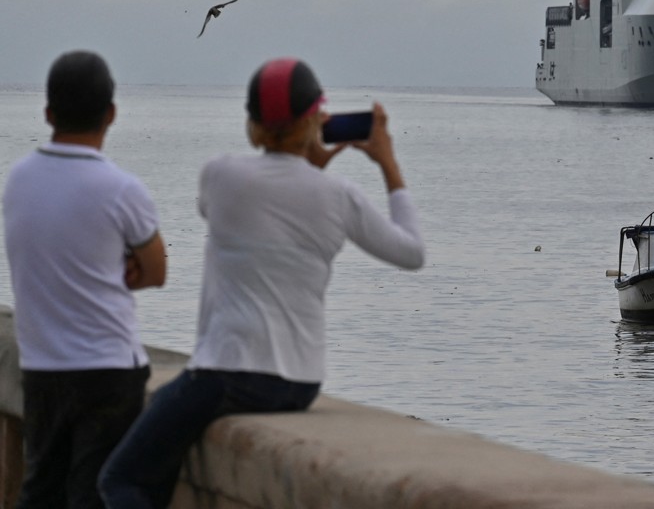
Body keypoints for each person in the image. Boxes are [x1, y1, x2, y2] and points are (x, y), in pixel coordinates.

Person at [99, 57, 425, 508]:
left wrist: (305, 163)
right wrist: (387, 161)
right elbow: (412, 252)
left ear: (252, 123)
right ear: (314, 119)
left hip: (227, 375)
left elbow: (260, 206)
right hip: (299, 382)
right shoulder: (338, 196)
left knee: (120, 480)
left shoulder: (221, 175)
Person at [2, 50, 168, 509]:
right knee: (93, 494)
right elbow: (156, 271)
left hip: (42, 369)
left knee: (41, 490)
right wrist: (108, 269)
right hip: (109, 371)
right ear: (111, 114)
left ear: (48, 113)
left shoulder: (17, 180)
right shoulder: (122, 189)